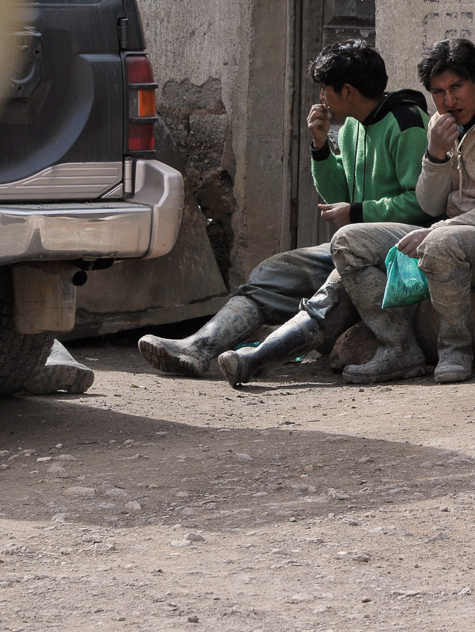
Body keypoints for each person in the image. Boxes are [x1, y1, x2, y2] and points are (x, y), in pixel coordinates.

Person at [138, 40, 433, 381]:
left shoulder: (406, 123)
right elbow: (339, 192)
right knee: (272, 273)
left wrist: (356, 212)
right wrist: (321, 146)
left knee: (330, 294)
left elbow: (420, 204)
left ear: (348, 91)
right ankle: (199, 346)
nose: (322, 97)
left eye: (326, 89)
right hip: (351, 245)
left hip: (397, 252)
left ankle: (255, 359)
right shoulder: (352, 126)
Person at [330, 38, 475, 384]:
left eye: (457, 86)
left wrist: (437, 230)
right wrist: (435, 154)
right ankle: (399, 347)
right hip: (448, 236)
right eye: (438, 92)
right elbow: (430, 205)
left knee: (440, 242)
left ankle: (455, 350)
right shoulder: (443, 124)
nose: (449, 100)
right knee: (347, 241)